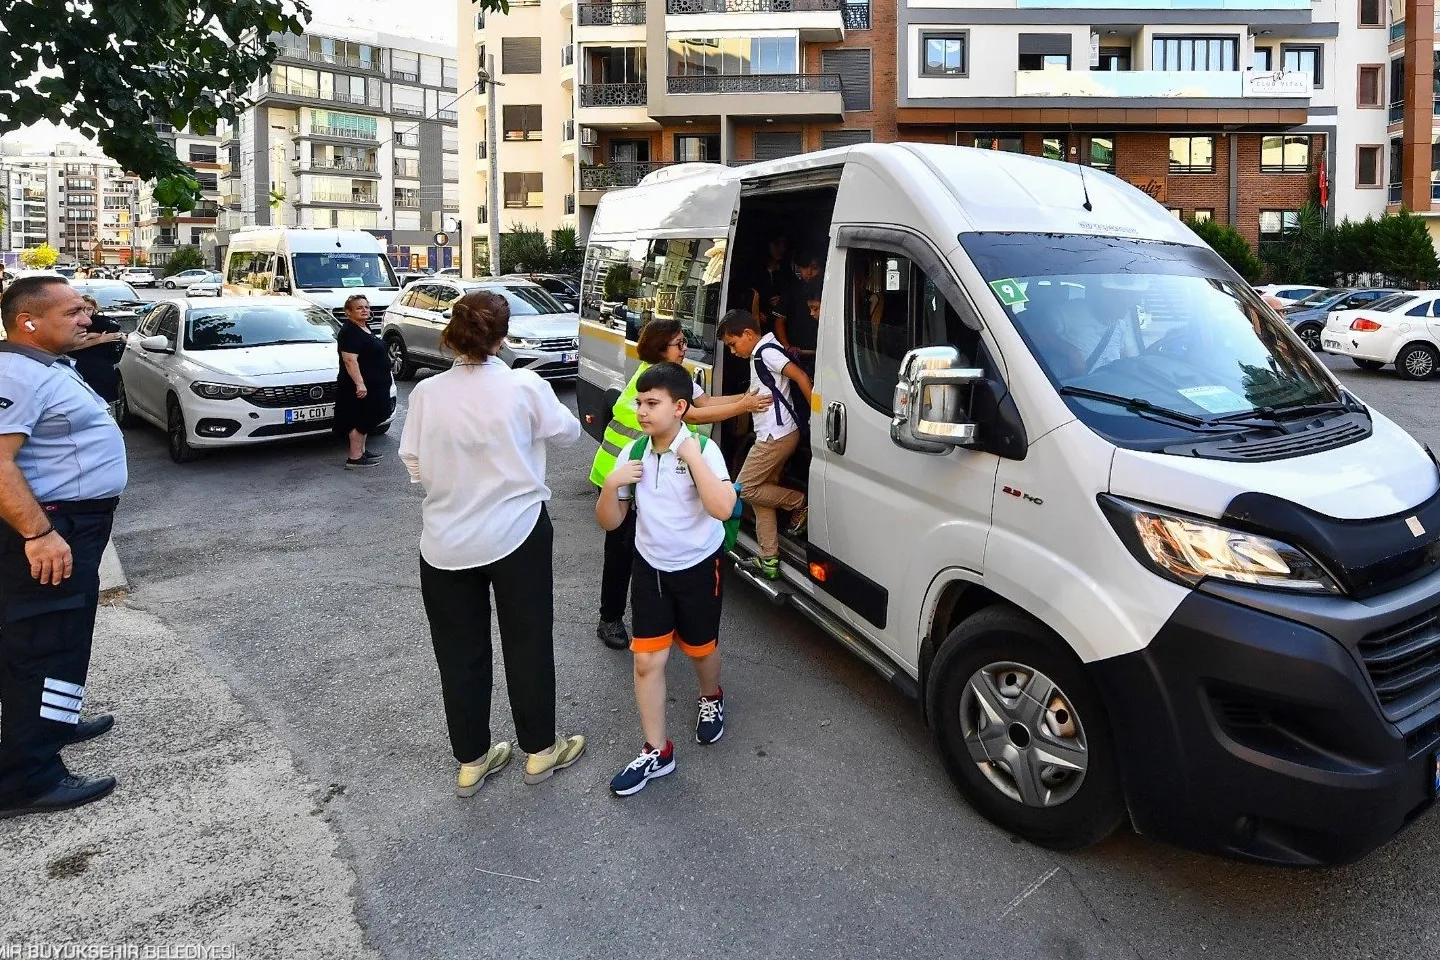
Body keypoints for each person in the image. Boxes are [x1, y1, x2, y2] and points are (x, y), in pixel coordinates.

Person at [398, 290, 586, 797]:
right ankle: (540, 751)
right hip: (517, 531)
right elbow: (568, 433)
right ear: (503, 337)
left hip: (445, 541)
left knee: (458, 653)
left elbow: (413, 463)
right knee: (528, 641)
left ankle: (471, 761)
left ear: (453, 333)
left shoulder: (427, 393)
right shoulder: (524, 385)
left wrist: (454, 481)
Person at [0, 276, 127, 820]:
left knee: (64, 635)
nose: (86, 319)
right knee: (45, 642)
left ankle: (52, 722)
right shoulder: (16, 373)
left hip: (74, 523)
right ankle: (26, 779)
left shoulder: (45, 364)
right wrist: (38, 534)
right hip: (53, 528)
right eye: (73, 312)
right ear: (28, 322)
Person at [595, 362, 736, 796]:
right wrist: (611, 486)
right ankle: (657, 750)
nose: (641, 411)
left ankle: (710, 696)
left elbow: (723, 509)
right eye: (640, 402)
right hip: (650, 568)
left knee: (701, 650)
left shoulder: (703, 449)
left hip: (699, 566)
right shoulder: (634, 452)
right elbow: (611, 521)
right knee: (646, 661)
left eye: (652, 403)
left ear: (679, 407)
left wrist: (691, 457)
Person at [589, 319, 770, 651]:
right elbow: (693, 416)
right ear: (661, 349)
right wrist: (743, 407)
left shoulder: (677, 376)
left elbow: (704, 403)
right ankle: (609, 618)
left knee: (650, 542)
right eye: (678, 343)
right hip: (619, 471)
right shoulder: (653, 381)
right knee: (622, 551)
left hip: (649, 473)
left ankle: (656, 619)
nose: (685, 348)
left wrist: (747, 397)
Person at [718, 310, 812, 580]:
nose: (733, 352)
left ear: (748, 334)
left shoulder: (766, 352)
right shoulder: (761, 352)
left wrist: (817, 415)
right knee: (761, 494)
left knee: (745, 488)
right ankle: (768, 558)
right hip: (776, 434)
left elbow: (801, 377)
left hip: (775, 437)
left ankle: (799, 502)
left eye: (733, 344)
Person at [333, 295, 392, 469]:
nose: (365, 310)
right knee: (365, 418)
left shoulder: (364, 327)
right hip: (363, 385)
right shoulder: (349, 332)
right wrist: (360, 384)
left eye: (366, 307)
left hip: (376, 384)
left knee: (368, 415)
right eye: (359, 308)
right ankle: (355, 457)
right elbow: (350, 360)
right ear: (348, 312)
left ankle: (362, 451)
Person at [69, 295, 126, 410]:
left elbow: (118, 335)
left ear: (95, 309)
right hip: (79, 367)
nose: (86, 312)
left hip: (102, 369)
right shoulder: (72, 324)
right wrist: (98, 339)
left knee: (106, 404)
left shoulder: (103, 322)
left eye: (89, 309)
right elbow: (70, 347)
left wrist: (120, 337)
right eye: (82, 309)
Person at [776, 251, 823, 374]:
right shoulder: (791, 290)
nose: (809, 272)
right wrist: (788, 347)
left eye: (814, 268)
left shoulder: (829, 290)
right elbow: (780, 320)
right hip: (796, 353)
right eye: (805, 267)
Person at [749, 233, 797, 333]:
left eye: (784, 245)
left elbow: (795, 292)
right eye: (777, 244)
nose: (781, 248)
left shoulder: (787, 271)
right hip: (759, 325)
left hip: (783, 325)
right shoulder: (753, 271)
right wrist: (755, 312)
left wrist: (783, 299)